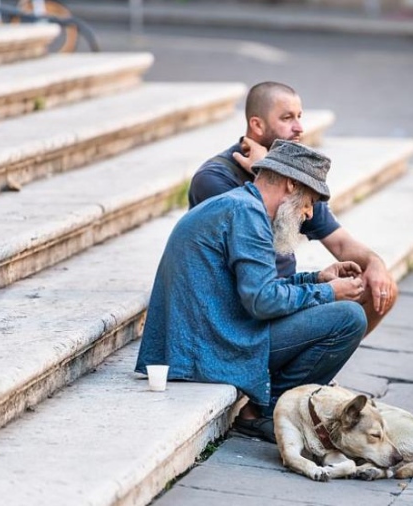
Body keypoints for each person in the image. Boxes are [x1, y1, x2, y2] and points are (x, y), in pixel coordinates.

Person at [136, 140, 368, 443]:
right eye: (310, 200)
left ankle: (271, 407)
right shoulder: (247, 214)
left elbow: (258, 291)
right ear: (290, 184)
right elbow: (263, 302)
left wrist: (319, 279)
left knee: (336, 309)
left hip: (203, 341)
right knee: (349, 317)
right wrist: (330, 293)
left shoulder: (240, 206)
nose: (310, 213)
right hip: (206, 352)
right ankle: (270, 413)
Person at [188, 81, 396, 335]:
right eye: (287, 118)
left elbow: (341, 243)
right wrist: (264, 171)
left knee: (380, 290)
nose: (299, 128)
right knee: (346, 315)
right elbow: (250, 248)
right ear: (257, 125)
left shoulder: (295, 176)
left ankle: (313, 363)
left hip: (285, 294)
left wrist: (375, 264)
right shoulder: (214, 179)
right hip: (243, 308)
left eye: (299, 116)